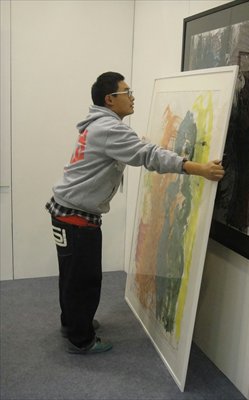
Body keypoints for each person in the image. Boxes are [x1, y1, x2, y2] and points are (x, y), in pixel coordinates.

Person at [45, 71, 224, 355]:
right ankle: (81, 339)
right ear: (109, 99)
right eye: (126, 92)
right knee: (84, 279)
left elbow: (132, 151)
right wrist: (197, 168)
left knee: (71, 275)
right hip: (76, 217)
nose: (132, 97)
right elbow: (148, 156)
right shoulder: (110, 129)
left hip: (64, 210)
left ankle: (73, 324)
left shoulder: (98, 125)